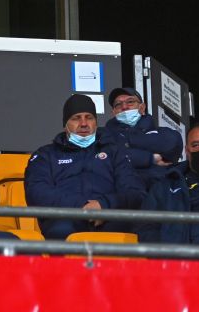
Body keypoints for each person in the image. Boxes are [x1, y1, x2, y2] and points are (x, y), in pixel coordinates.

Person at [24, 93, 146, 239]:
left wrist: (104, 205)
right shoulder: (46, 154)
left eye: (89, 117)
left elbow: (135, 192)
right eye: (76, 118)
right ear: (65, 125)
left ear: (95, 122)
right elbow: (36, 192)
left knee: (139, 233)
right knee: (61, 230)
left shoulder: (114, 151)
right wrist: (82, 207)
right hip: (66, 221)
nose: (83, 123)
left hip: (110, 218)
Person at [100, 86, 184, 185]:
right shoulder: (104, 136)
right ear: (114, 112)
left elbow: (172, 144)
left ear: (142, 107)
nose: (124, 107)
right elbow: (110, 158)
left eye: (130, 102)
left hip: (161, 192)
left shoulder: (163, 133)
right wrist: (151, 158)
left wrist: (127, 141)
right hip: (124, 192)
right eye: (118, 104)